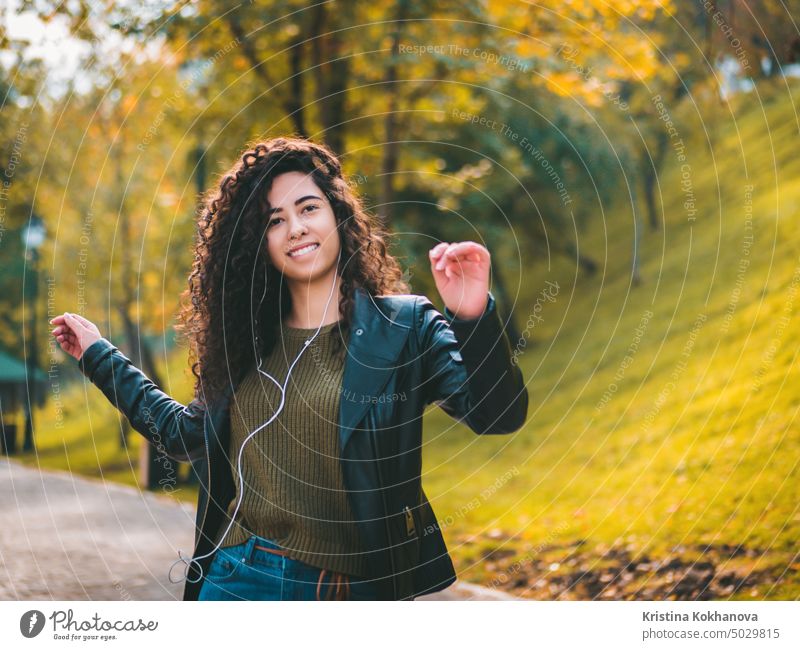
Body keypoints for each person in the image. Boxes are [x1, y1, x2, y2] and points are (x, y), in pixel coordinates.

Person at [50, 136, 528, 601]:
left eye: (308, 208)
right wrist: (98, 356)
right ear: (260, 244)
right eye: (274, 221)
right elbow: (183, 436)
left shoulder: (404, 327)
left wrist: (470, 315)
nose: (295, 228)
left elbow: (497, 415)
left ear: (337, 215)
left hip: (345, 593)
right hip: (233, 579)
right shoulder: (244, 344)